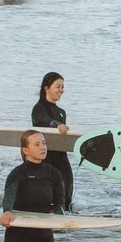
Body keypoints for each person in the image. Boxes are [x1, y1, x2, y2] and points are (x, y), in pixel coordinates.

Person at [32, 70, 75, 213]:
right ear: (46, 88)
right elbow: (43, 120)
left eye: (63, 87)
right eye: (58, 86)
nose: (61, 90)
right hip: (45, 157)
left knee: (67, 188)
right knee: (49, 192)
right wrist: (57, 125)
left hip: (61, 156)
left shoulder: (62, 112)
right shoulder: (39, 108)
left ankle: (67, 214)